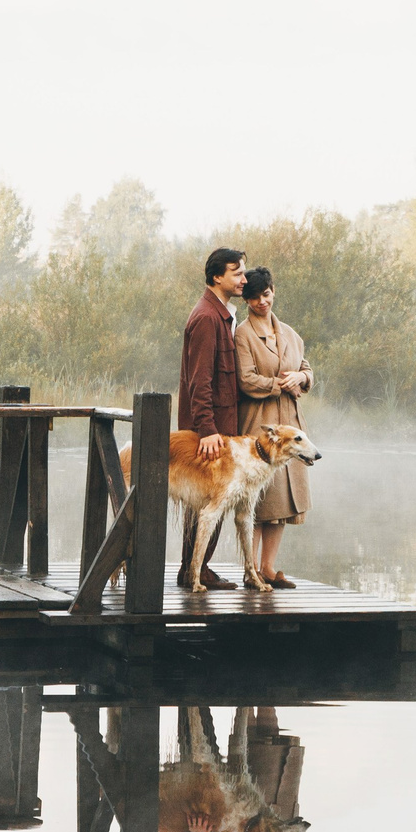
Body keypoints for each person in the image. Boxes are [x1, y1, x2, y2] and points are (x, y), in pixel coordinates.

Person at [233, 267, 314, 587]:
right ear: (247, 301)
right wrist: (281, 384)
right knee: (259, 499)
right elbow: (246, 379)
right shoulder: (243, 334)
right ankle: (250, 568)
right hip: (260, 423)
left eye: (265, 295)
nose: (261, 302)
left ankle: (268, 568)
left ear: (273, 291)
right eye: (253, 298)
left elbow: (306, 369)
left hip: (291, 424)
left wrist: (302, 378)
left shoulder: (291, 334)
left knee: (282, 502)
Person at [178, 247, 247, 589]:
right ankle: (196, 570)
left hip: (220, 428)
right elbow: (199, 379)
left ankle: (195, 568)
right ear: (217, 276)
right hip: (210, 431)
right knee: (209, 500)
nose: (243, 280)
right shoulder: (207, 317)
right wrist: (206, 429)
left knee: (207, 501)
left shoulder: (220, 314)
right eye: (237, 273)